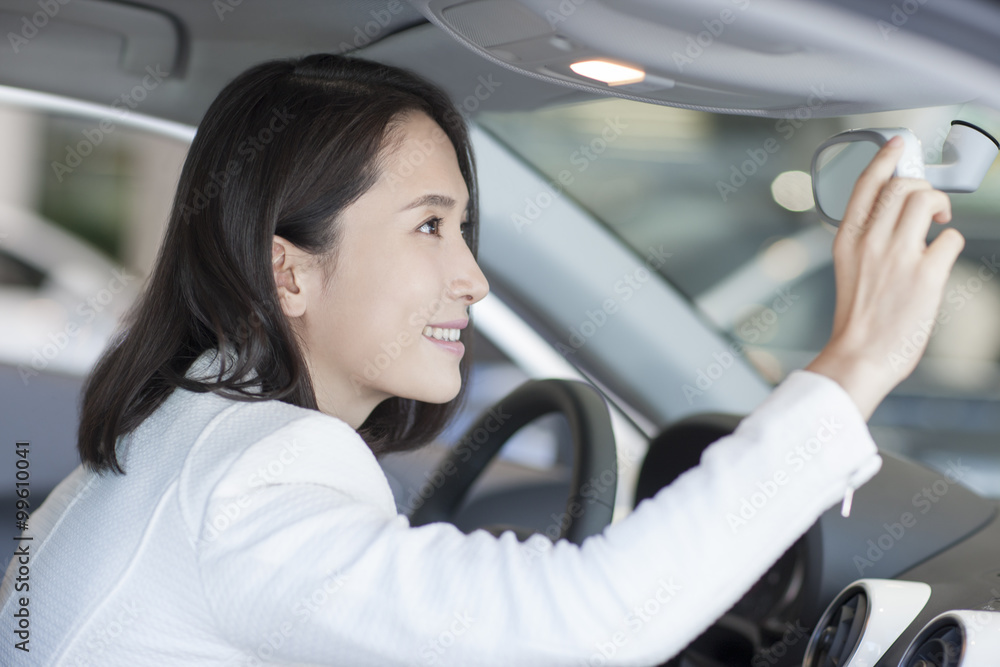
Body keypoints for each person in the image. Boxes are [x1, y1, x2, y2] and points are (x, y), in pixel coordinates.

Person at [0, 53, 963, 666]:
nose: (474, 278)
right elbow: (598, 621)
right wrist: (855, 366)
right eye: (430, 226)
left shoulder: (178, 431)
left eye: (463, 227)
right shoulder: (257, 474)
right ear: (287, 270)